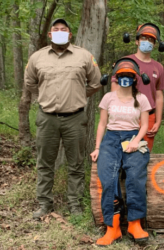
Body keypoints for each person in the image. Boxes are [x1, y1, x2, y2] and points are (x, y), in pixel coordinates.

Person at [25, 18, 102, 219]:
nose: (60, 32)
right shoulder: (37, 58)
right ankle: (44, 204)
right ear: (50, 34)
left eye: (64, 29)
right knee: (44, 163)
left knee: (75, 163)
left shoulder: (84, 56)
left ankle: (75, 204)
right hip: (47, 117)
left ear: (70, 34)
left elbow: (95, 83)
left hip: (75, 118)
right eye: (56, 29)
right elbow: (30, 83)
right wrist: (45, 97)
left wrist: (77, 96)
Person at [90, 58, 151, 246]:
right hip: (111, 137)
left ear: (135, 78)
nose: (125, 78)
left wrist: (136, 141)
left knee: (135, 175)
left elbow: (145, 125)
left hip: (133, 136)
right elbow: (101, 124)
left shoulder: (141, 98)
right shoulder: (108, 97)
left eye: (129, 75)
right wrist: (98, 147)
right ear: (116, 77)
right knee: (107, 177)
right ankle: (113, 227)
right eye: (122, 75)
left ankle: (135, 223)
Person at [111, 23, 164, 152]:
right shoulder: (124, 61)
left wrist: (158, 121)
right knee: (122, 151)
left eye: (151, 39)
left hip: (149, 116)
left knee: (143, 153)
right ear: (136, 41)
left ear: (155, 44)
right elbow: (114, 87)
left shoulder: (158, 67)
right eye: (143, 38)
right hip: (126, 114)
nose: (147, 41)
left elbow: (159, 95)